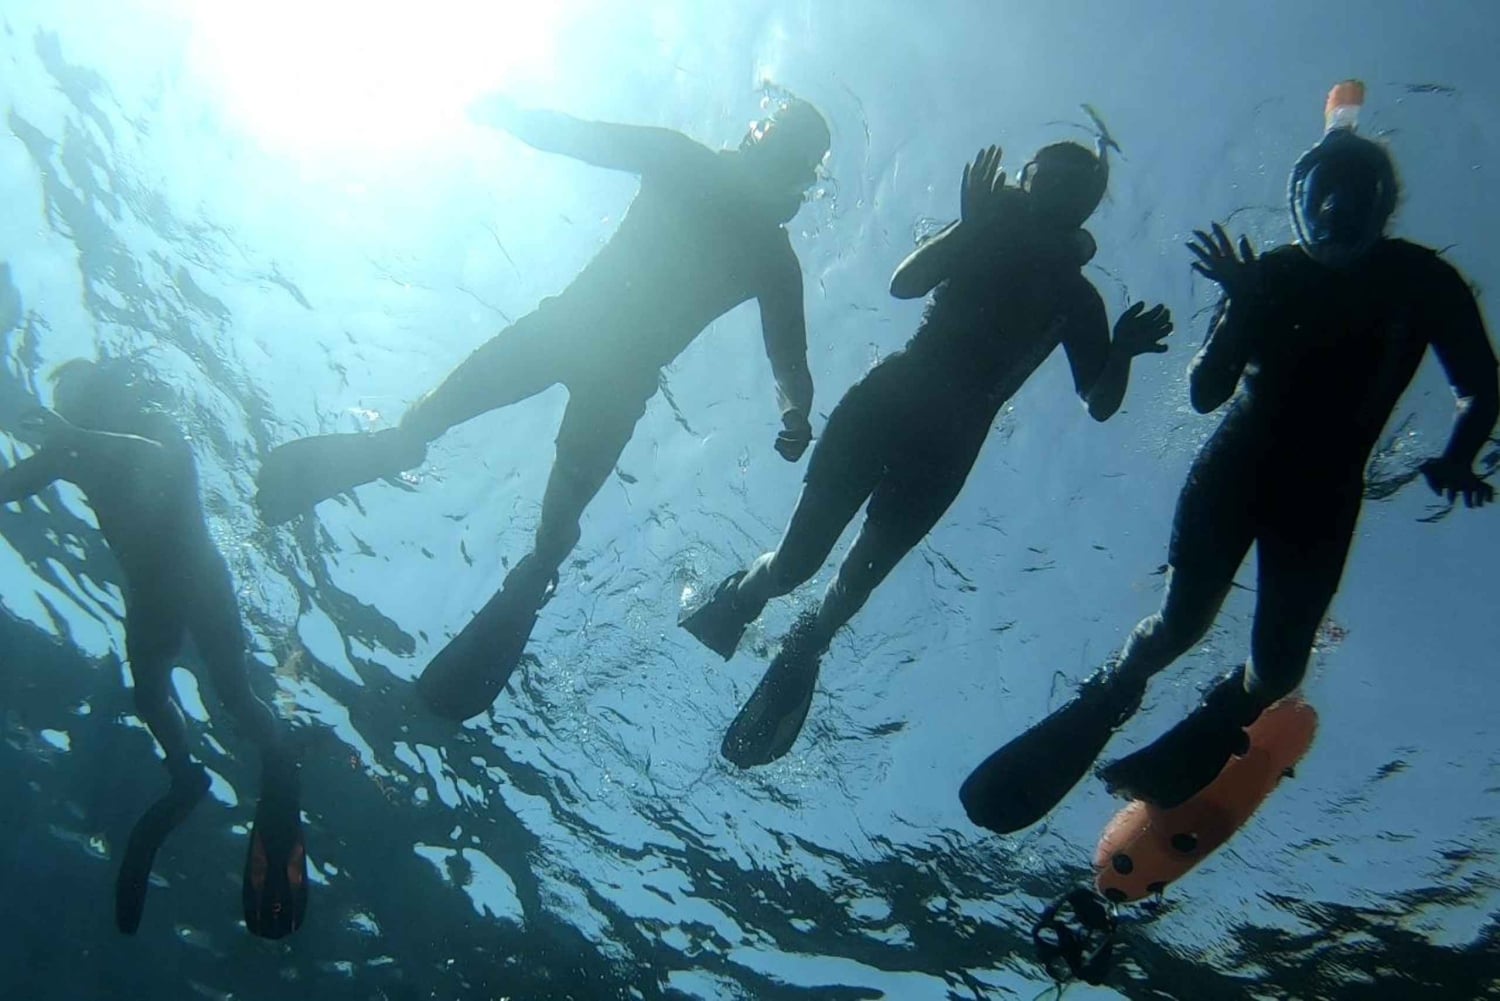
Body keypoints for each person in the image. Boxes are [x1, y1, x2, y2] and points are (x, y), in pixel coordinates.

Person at [960, 82, 1498, 836]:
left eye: (1352, 196)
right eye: (1324, 195)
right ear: (1302, 199)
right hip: (1239, 472)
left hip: (1320, 496)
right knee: (1181, 624)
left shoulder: (1421, 281)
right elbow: (1209, 392)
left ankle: (1221, 706)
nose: (1337, 212)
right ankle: (1118, 683)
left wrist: (1461, 452)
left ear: (1382, 199)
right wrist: (1242, 304)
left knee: (1279, 669)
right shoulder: (1277, 275)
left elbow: (1480, 388)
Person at [254, 95, 831, 722]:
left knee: (469, 458)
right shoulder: (756, 239)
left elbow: (576, 133)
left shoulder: (709, 189)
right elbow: (790, 362)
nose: (761, 142)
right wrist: (795, 412)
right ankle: (514, 549)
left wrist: (502, 110)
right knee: (540, 519)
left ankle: (440, 481)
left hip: (568, 338)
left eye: (771, 134)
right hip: (601, 365)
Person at [682, 139, 1174, 768]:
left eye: (1069, 187)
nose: (1051, 193)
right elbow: (904, 284)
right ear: (1029, 182)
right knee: (798, 566)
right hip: (889, 403)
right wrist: (968, 227)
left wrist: (1122, 352)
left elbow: (1098, 401)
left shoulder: (1078, 300)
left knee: (853, 586)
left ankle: (807, 644)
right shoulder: (989, 231)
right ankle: (748, 593)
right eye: (1045, 178)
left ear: (1084, 208)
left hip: (947, 447)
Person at [0, 359, 307, 938]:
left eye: (75, 396)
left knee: (235, 693)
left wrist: (76, 436)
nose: (67, 409)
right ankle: (184, 775)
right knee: (149, 696)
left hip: (198, 578)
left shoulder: (147, 426)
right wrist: (69, 443)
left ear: (100, 395)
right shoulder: (72, 449)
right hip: (153, 594)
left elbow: (161, 461)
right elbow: (17, 482)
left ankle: (273, 754)